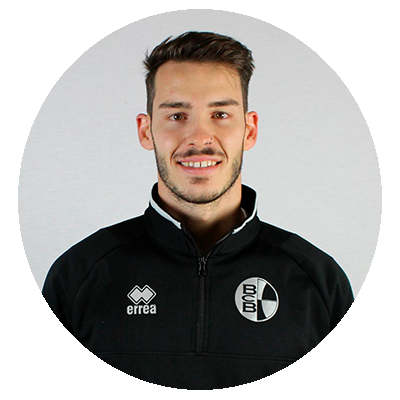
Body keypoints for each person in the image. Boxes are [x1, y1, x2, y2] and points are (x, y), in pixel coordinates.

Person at [36, 31, 358, 390]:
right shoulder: (80, 273)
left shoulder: (318, 280)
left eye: (220, 114)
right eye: (177, 115)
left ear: (249, 130)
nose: (199, 137)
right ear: (146, 130)